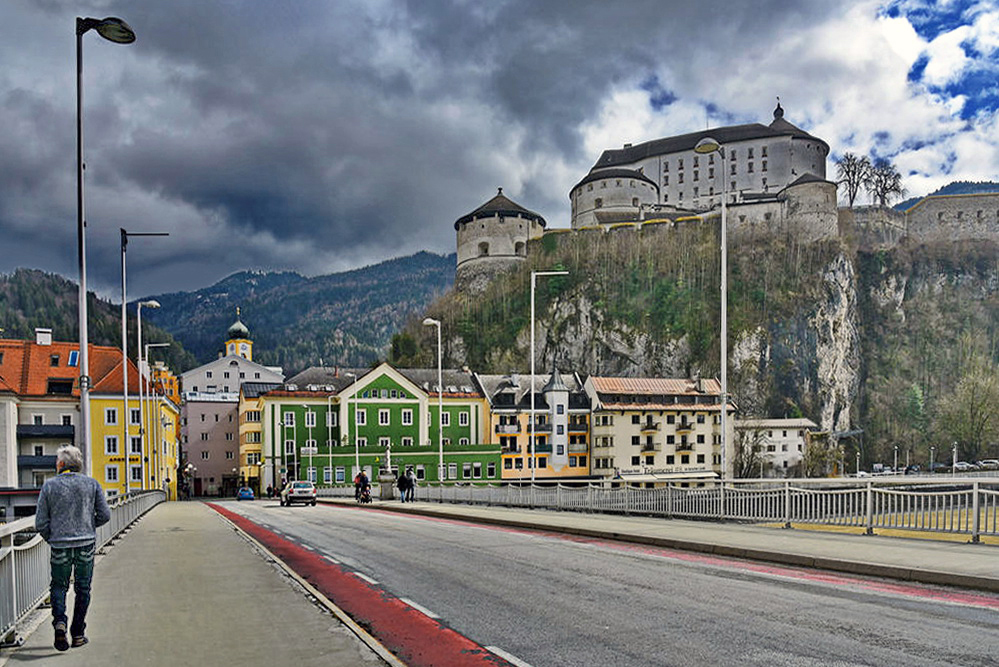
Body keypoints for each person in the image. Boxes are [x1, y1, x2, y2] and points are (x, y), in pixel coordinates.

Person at [34, 445, 111, 651]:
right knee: (83, 588)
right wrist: (87, 526)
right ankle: (78, 634)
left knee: (59, 586)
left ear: (60, 464)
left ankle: (60, 623)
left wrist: (52, 537)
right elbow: (105, 515)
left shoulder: (49, 486)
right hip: (85, 544)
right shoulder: (91, 484)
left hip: (60, 545)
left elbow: (40, 522)